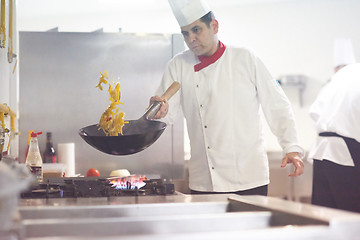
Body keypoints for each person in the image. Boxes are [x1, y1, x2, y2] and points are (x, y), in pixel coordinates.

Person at [150, 0, 304, 196]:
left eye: (197, 30)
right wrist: (158, 111)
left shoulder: (245, 58)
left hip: (249, 178)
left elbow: (277, 105)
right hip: (203, 181)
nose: (192, 39)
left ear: (214, 26)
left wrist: (291, 147)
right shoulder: (178, 65)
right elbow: (165, 113)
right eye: (186, 33)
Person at [308, 62, 360, 212]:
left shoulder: (346, 72)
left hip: (322, 149)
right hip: (348, 152)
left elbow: (315, 111)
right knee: (351, 219)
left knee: (325, 217)